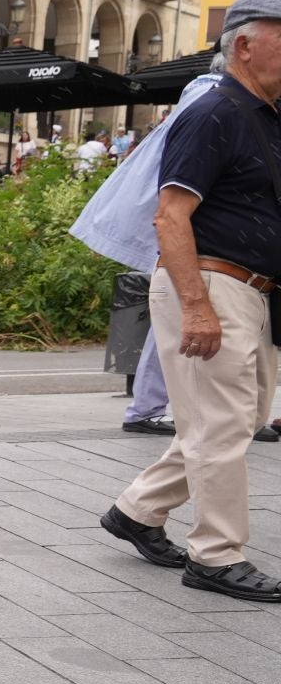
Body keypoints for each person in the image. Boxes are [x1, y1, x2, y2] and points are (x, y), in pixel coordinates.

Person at [101, 0, 281, 602]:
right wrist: (197, 306)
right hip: (211, 283)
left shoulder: (264, 116)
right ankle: (216, 556)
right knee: (222, 428)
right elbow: (170, 216)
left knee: (236, 420)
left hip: (252, 291)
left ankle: (137, 509)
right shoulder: (213, 113)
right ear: (244, 46)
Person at [73, 64, 225, 441]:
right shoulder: (212, 100)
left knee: (172, 322)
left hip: (187, 237)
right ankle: (152, 407)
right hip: (194, 240)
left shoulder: (199, 99)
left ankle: (151, 406)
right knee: (176, 321)